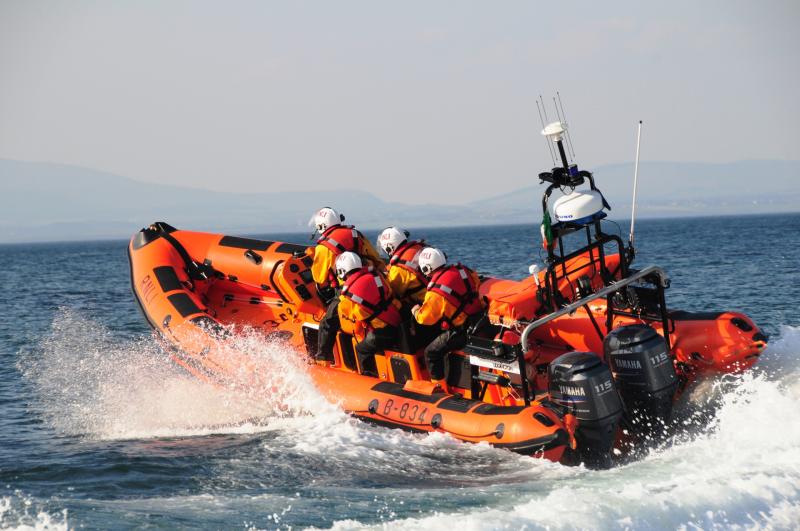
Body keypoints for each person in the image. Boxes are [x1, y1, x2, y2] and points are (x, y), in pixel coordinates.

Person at [316, 252, 402, 377]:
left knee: (361, 349)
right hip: (398, 318)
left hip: (383, 331)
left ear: (341, 271)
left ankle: (369, 377)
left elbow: (348, 315)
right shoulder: (376, 275)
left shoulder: (347, 295)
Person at [412, 247, 485, 389]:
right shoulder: (463, 270)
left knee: (431, 352)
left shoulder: (436, 292)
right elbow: (476, 284)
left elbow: (425, 319)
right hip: (480, 319)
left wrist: (415, 310)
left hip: (463, 331)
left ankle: (440, 388)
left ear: (426, 268)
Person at [308, 207, 383, 291]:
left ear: (321, 226)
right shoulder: (355, 234)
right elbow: (375, 257)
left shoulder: (323, 247)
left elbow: (319, 278)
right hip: (371, 278)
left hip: (347, 288)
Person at [376, 226, 427, 306]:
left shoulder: (398, 269)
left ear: (389, 247)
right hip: (431, 294)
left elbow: (392, 291)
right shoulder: (418, 248)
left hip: (423, 304)